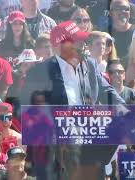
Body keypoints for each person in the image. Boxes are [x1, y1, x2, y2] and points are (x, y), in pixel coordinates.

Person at [20, 20, 125, 180]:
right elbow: (28, 112)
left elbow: (107, 90)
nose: (83, 44)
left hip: (88, 145)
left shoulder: (89, 64)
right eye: (78, 40)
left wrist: (124, 109)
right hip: (54, 152)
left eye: (84, 40)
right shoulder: (39, 73)